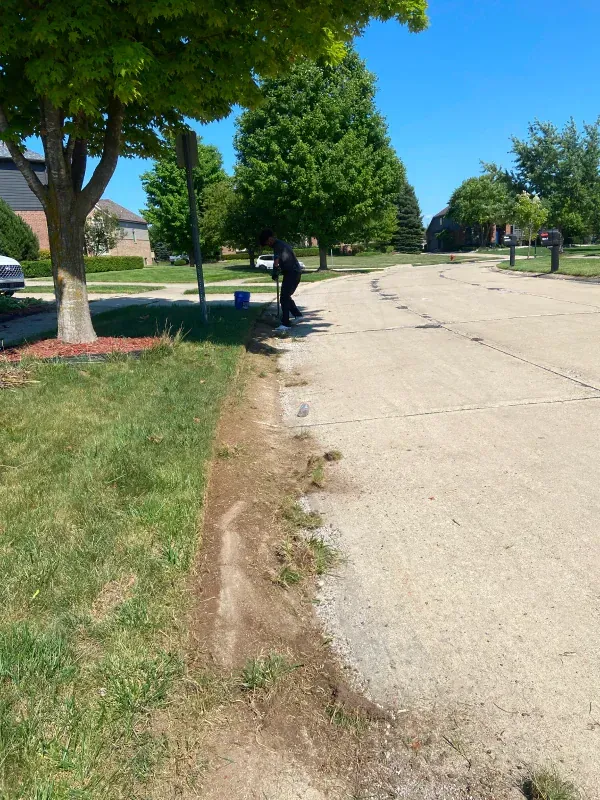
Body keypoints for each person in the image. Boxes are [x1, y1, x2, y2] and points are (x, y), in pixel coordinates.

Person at [259, 229, 303, 333]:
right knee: (286, 296)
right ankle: (298, 315)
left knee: (284, 297)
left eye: (267, 242)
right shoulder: (280, 244)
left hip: (292, 272)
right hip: (294, 272)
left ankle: (285, 324)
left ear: (270, 239)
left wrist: (275, 271)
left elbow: (276, 260)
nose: (267, 245)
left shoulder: (277, 245)